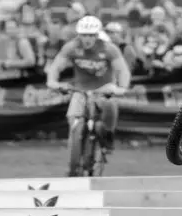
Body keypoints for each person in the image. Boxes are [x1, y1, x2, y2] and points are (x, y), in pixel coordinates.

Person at [45, 15, 131, 169]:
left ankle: (108, 137)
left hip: (104, 88)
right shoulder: (71, 47)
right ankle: (76, 148)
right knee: (73, 117)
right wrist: (52, 82)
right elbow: (56, 66)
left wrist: (121, 88)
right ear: (79, 35)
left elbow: (122, 70)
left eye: (91, 35)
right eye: (84, 35)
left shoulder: (109, 49)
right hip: (81, 89)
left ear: (97, 35)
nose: (87, 39)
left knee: (110, 105)